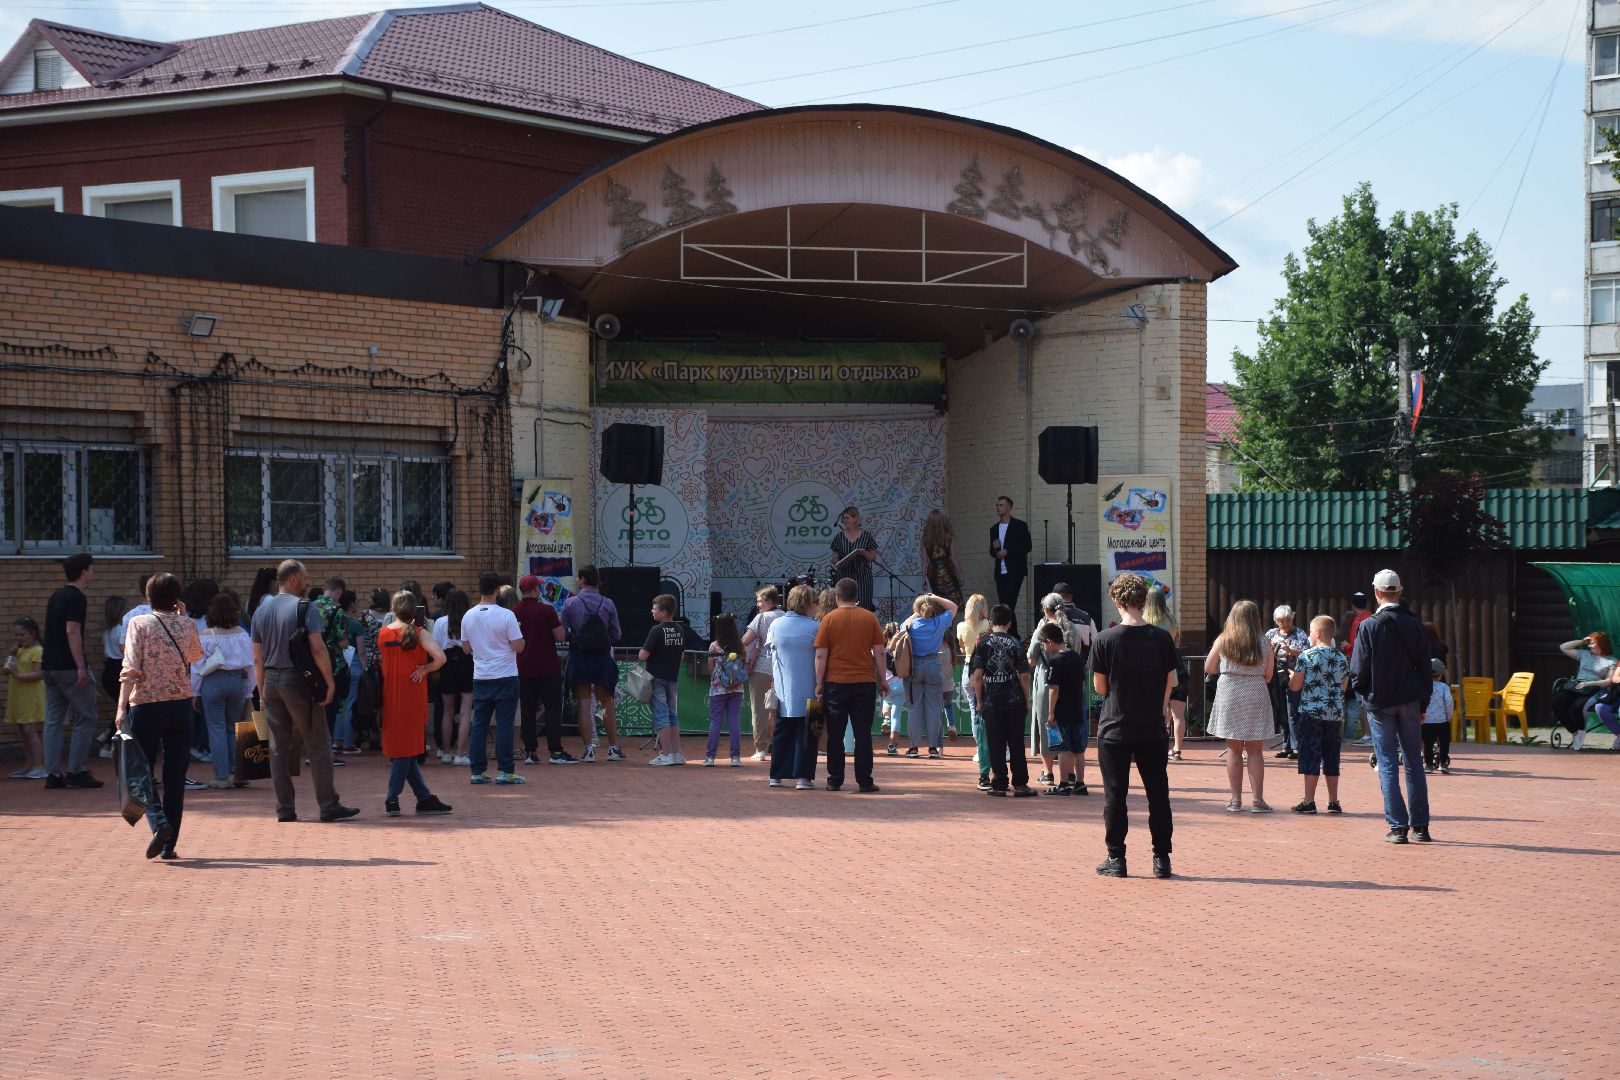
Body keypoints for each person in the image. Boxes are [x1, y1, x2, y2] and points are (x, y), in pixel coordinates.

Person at [249, 559, 358, 824]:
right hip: (298, 680)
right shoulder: (304, 607)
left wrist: (262, 690)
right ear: (294, 579)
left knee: (278, 748)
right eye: (306, 576)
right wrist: (329, 682)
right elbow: (318, 648)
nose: (309, 581)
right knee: (318, 744)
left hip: (271, 680)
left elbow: (257, 657)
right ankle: (328, 805)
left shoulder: (260, 610)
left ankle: (285, 808)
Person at [1089, 572, 1177, 878]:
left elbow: (1100, 688)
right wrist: (1162, 706)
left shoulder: (1104, 639)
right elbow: (1170, 681)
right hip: (1151, 727)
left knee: (1116, 795)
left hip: (1115, 727)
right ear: (1143, 600)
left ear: (1117, 599)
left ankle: (1117, 858)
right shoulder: (1162, 638)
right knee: (1158, 794)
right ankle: (1161, 859)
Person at [116, 573, 204, 859]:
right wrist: (183, 617)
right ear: (177, 597)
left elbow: (130, 667)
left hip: (147, 703)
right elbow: (195, 656)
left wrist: (120, 708)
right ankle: (169, 845)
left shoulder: (138, 623)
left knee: (139, 770)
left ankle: (158, 822)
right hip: (180, 704)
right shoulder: (187, 624)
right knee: (175, 777)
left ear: (148, 596)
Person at [1350, 569, 1433, 845]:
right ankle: (1421, 827)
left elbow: (1358, 670)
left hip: (1380, 702)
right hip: (1410, 700)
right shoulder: (1416, 625)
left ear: (1376, 592)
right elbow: (1425, 669)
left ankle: (1398, 827)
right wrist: (1423, 703)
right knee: (1413, 763)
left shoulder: (1369, 626)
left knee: (1386, 763)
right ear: (1400, 591)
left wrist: (1365, 696)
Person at [376, 590, 452, 817]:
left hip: (391, 696)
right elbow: (441, 658)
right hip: (413, 696)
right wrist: (425, 669)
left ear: (393, 609)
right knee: (405, 751)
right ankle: (393, 798)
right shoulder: (419, 633)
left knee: (403, 750)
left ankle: (424, 797)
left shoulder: (383, 634)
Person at [814, 577, 886, 793]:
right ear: (857, 597)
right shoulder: (869, 618)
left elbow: (820, 655)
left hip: (835, 683)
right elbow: (880, 652)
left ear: (837, 597)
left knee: (835, 733)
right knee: (862, 733)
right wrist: (883, 679)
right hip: (864, 682)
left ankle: (834, 779)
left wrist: (819, 684)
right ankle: (865, 780)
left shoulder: (828, 620)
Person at [1204, 599, 1275, 813]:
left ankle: (1235, 800)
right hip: (1255, 690)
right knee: (1255, 750)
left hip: (1230, 690)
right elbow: (1269, 676)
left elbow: (1209, 666)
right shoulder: (1264, 642)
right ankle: (1257, 800)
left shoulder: (1223, 639)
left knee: (1233, 749)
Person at [41, 552, 102, 789]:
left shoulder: (56, 595)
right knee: (86, 717)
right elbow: (72, 631)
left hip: (50, 665)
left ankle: (53, 774)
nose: (92, 573)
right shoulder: (77, 598)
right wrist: (80, 666)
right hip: (68, 667)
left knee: (53, 720)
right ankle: (76, 770)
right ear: (84, 571)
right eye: (91, 569)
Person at [461, 572, 527, 785]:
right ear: (498, 590)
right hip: (505, 674)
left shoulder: (468, 616)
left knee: (479, 723)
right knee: (505, 723)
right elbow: (518, 646)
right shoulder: (506, 615)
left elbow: (466, 648)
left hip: (481, 675)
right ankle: (506, 770)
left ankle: (477, 770)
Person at [969, 602, 1035, 798]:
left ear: (990, 622)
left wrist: (980, 701)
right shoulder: (1016, 643)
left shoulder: (982, 643)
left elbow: (978, 675)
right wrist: (1027, 699)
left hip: (991, 701)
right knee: (1016, 743)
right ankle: (1021, 784)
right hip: (1014, 701)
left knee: (995, 743)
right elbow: (1024, 676)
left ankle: (998, 783)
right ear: (1010, 622)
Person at [562, 565, 624, 762]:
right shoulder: (608, 603)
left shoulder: (570, 603)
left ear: (581, 579)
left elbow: (564, 633)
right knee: (606, 701)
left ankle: (589, 750)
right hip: (601, 657)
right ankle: (613, 748)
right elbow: (617, 634)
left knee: (584, 703)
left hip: (579, 656)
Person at [1288, 615, 1349, 814]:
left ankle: (1309, 801)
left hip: (1311, 712)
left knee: (1310, 755)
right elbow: (1344, 687)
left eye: (1310, 631)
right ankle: (1333, 801)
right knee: (1332, 756)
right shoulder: (1341, 658)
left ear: (1318, 633)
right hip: (1334, 714)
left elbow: (1295, 686)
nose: (1308, 636)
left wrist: (1292, 677)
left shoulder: (1306, 656)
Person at [195, 592, 253, 789]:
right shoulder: (243, 634)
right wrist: (249, 691)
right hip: (237, 681)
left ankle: (221, 776)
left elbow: (197, 668)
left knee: (216, 729)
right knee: (233, 728)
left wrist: (194, 693)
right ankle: (236, 772)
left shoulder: (206, 636)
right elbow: (251, 664)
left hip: (213, 681)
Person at [767, 585, 820, 789]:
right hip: (811, 686)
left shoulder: (776, 624)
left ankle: (776, 775)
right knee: (808, 733)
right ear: (807, 603)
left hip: (783, 689)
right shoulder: (816, 626)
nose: (817, 606)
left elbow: (770, 653)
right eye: (815, 602)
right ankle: (803, 777)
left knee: (782, 731)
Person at [515, 575, 572, 765]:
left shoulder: (513, 612)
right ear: (534, 590)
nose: (540, 589)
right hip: (547, 667)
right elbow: (560, 635)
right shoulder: (546, 610)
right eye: (538, 587)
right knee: (553, 710)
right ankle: (555, 751)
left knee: (527, 710)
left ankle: (530, 751)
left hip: (523, 667)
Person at [901, 591, 958, 758]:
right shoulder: (939, 623)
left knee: (914, 708)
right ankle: (933, 747)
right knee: (934, 708)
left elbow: (901, 629)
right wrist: (934, 598)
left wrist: (916, 611)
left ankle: (913, 747)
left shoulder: (911, 624)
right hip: (933, 663)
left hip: (914, 665)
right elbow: (954, 607)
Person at [1026, 593, 1076, 784]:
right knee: (1067, 726)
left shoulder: (1043, 629)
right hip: (1070, 683)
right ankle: (1069, 772)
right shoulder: (1071, 628)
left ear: (1046, 610)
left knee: (1048, 726)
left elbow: (1031, 659)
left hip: (1046, 683)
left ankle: (1048, 773)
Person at [1037, 622, 1089, 796]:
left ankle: (1064, 784)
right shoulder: (1076, 657)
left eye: (1044, 643)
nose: (1045, 647)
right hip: (1076, 708)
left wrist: (1051, 713)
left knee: (1063, 748)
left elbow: (1054, 688)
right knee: (1078, 749)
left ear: (1051, 641)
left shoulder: (1056, 661)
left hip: (1062, 710)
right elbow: (1082, 683)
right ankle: (1080, 783)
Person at [639, 594, 687, 766]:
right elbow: (681, 655)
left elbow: (643, 655)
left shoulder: (656, 630)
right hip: (672, 677)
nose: (652, 611)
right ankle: (676, 753)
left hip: (656, 677)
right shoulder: (680, 629)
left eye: (655, 609)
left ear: (664, 612)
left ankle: (666, 753)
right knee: (672, 714)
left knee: (661, 715)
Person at [1143, 584, 1187, 760]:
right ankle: (1177, 749)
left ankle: (1156, 746)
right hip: (1178, 667)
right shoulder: (1171, 619)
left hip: (1155, 671)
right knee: (1178, 714)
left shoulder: (1145, 619)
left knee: (1156, 712)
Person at [741, 585, 784, 762]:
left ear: (769, 601)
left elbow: (745, 640)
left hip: (762, 669)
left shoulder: (761, 618)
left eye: (760, 601)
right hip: (782, 669)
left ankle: (760, 749)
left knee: (760, 710)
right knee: (778, 710)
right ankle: (778, 744)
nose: (758, 605)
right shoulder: (785, 616)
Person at [1552, 632, 1614, 752]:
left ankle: (1581, 732)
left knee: (1577, 707)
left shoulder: (1611, 661)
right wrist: (1582, 641)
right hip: (1576, 686)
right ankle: (1575, 732)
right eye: (1589, 643)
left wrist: (1590, 683)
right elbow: (1563, 647)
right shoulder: (1584, 654)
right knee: (1556, 704)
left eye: (1592, 643)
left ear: (1602, 644)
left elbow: (1608, 681)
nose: (1590, 645)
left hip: (1593, 687)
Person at [433, 588, 474, 765]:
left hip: (446, 663)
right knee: (465, 711)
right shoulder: (470, 619)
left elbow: (435, 645)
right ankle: (461, 753)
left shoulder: (440, 621)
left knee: (447, 711)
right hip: (467, 662)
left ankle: (446, 752)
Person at [956, 593, 991, 789]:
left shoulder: (961, 626)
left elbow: (962, 649)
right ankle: (994, 748)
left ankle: (979, 748)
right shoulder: (987, 625)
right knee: (987, 709)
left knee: (973, 710)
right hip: (983, 670)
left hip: (967, 668)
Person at [1264, 605, 1309, 759]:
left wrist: (1291, 651)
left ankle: (1298, 746)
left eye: (1288, 620)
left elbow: (1307, 654)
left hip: (1293, 677)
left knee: (1293, 711)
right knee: (1282, 711)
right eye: (1281, 621)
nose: (1285, 624)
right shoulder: (1271, 634)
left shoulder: (1300, 634)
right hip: (1276, 677)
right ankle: (1286, 745)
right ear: (1276, 621)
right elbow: (1262, 651)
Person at [6, 616, 47, 778]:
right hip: (19, 693)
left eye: (22, 635)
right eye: (16, 635)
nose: (19, 638)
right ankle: (29, 764)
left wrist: (16, 675)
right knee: (23, 730)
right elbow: (6, 670)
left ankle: (39, 765)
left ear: (33, 633)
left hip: (32, 695)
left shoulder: (37, 650)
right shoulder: (20, 650)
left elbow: (38, 674)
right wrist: (10, 657)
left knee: (30, 729)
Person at [704, 613, 747, 767]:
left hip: (718, 689)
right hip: (737, 688)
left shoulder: (714, 646)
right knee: (734, 722)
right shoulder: (740, 645)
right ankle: (735, 757)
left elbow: (710, 668)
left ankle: (710, 757)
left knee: (716, 722)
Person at [988, 496, 1032, 638]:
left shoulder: (1020, 525)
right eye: (997, 505)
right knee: (1005, 604)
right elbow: (991, 552)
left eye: (1001, 505)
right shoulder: (994, 528)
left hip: (1014, 571)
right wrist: (995, 549)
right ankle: (1012, 635)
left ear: (1009, 507)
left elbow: (1027, 546)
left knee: (1008, 603)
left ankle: (1010, 635)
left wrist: (1008, 551)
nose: (998, 507)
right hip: (1000, 571)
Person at [828, 506, 879, 611]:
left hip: (862, 577)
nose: (844, 521)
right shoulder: (839, 537)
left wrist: (863, 552)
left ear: (855, 519)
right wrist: (837, 562)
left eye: (847, 518)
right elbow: (834, 555)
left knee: (863, 605)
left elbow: (873, 556)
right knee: (843, 605)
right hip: (844, 576)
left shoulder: (865, 535)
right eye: (844, 518)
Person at [1342, 591, 1373, 744]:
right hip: (1374, 665)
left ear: (1352, 605)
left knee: (1362, 701)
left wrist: (1346, 647)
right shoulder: (1372, 617)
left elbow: (1356, 647)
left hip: (1361, 666)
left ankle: (1367, 735)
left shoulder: (1358, 620)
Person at [920, 510, 963, 610]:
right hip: (948, 568)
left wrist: (923, 578)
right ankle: (950, 623)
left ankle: (943, 623)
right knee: (953, 600)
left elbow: (924, 559)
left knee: (939, 600)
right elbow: (954, 557)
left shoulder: (925, 538)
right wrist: (960, 574)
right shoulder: (948, 536)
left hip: (933, 571)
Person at [1422, 658, 1454, 775]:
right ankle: (1443, 763)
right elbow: (1449, 701)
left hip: (1426, 721)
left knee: (1427, 743)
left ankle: (1429, 765)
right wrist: (1449, 715)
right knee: (1444, 742)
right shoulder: (1444, 687)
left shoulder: (1423, 687)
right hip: (1442, 721)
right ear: (1441, 674)